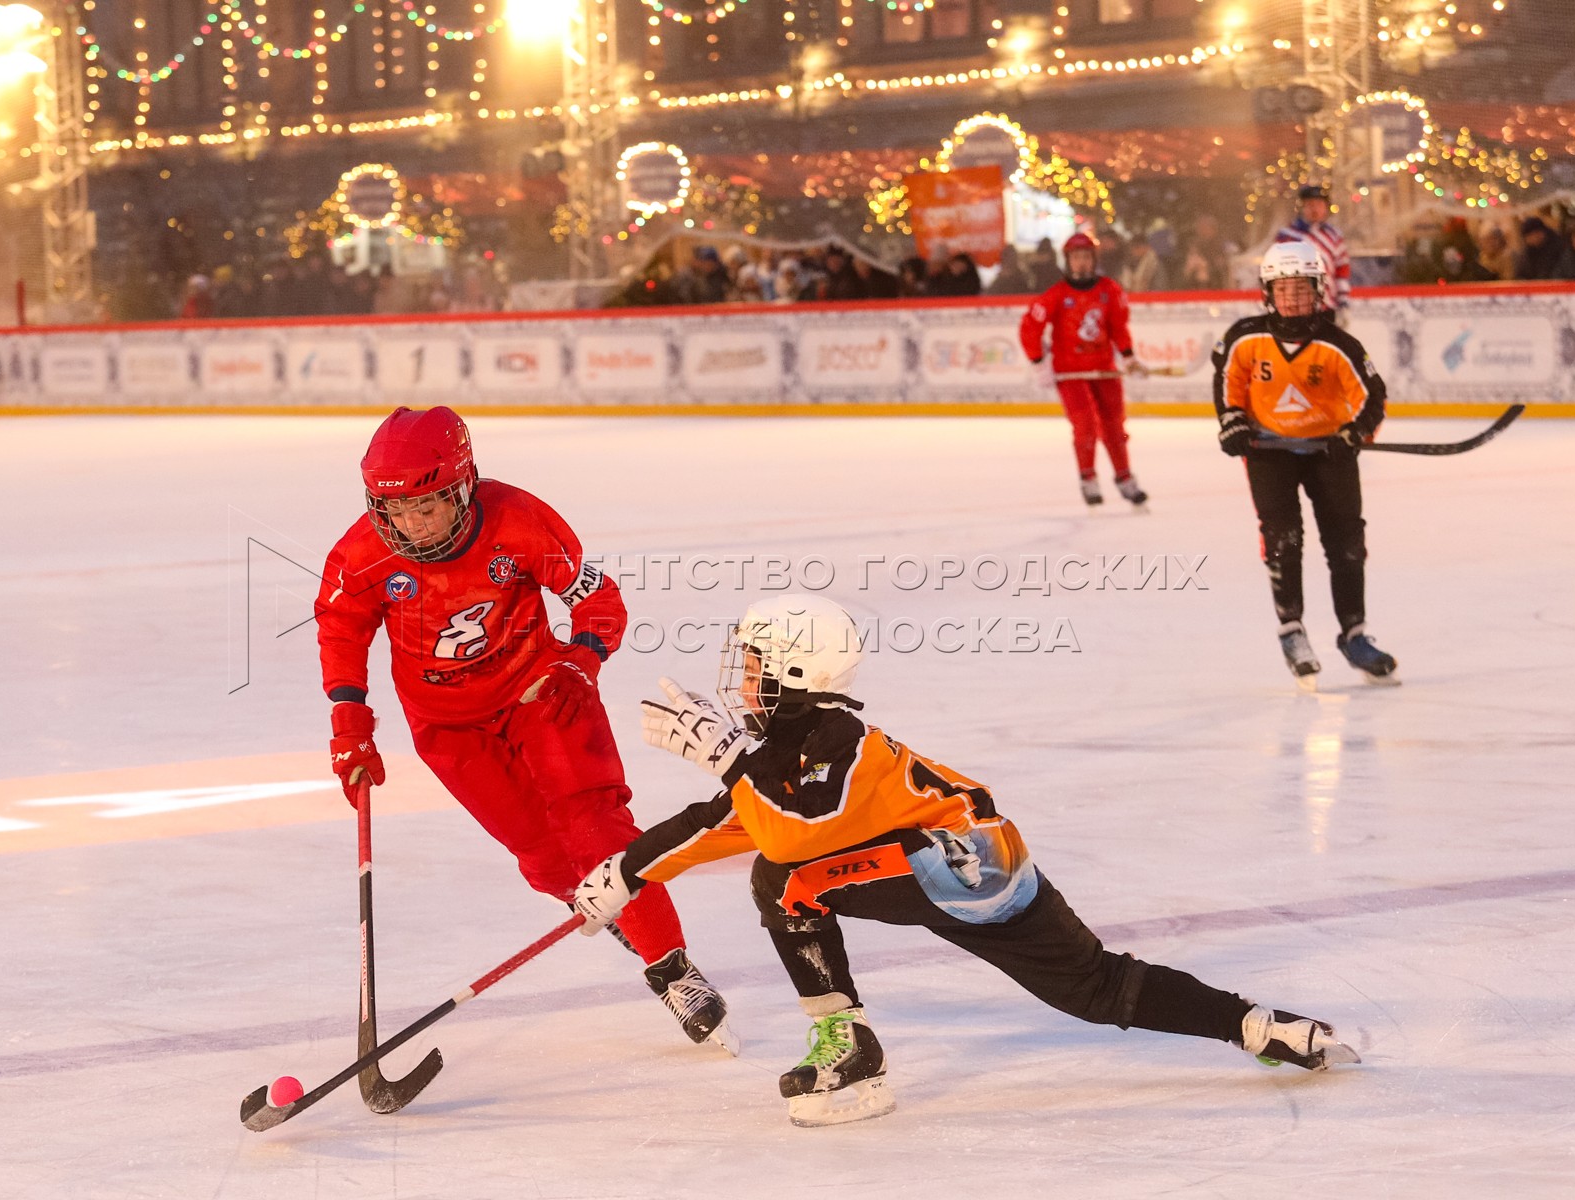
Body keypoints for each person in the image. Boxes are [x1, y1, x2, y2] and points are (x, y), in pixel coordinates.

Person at [572, 593, 1360, 1127]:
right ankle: (1259, 1026)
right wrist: (625, 874)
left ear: (794, 671)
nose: (740, 678)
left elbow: (782, 833)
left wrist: (726, 757)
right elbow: (732, 818)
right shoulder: (791, 746)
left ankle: (849, 1050)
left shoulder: (839, 741)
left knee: (786, 878)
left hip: (955, 861)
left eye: (752, 663)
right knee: (1095, 988)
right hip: (984, 861)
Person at [313, 406, 732, 1048]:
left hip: (543, 692)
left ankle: (673, 970)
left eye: (425, 507)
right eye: (392, 511)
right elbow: (342, 628)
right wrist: (350, 722)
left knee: (595, 830)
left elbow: (598, 598)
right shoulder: (362, 556)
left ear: (463, 486)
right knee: (540, 858)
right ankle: (617, 909)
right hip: (449, 728)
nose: (408, 526)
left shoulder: (519, 521)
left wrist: (581, 658)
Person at [1211, 242, 1396, 689]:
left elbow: (1372, 396)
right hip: (1268, 451)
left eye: (1302, 289)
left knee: (1346, 541)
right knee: (1282, 538)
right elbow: (1228, 382)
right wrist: (1232, 423)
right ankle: (1291, 629)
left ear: (1319, 291)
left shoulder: (1338, 344)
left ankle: (1354, 633)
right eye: (1284, 289)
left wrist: (1354, 433)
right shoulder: (1246, 337)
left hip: (1327, 450)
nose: (1293, 298)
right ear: (1268, 292)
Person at [1019, 231, 1150, 509]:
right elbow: (1030, 327)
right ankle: (1088, 478)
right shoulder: (1056, 295)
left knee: (1114, 426)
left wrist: (1128, 357)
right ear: (1068, 261)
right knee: (1086, 426)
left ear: (1093, 259)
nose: (1081, 263)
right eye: (1076, 257)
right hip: (1071, 374)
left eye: (1086, 257)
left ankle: (1125, 478)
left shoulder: (1110, 290)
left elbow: (1118, 327)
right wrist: (1038, 362)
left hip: (1103, 369)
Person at [1274, 184, 1351, 320]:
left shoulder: (1334, 236)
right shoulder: (1288, 236)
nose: (1314, 209)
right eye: (1310, 205)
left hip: (1327, 306)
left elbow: (1341, 271)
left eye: (1319, 205)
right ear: (1302, 207)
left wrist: (1343, 302)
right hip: (1297, 306)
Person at [1514, 216, 1563, 281]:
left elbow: (1556, 272)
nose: (1533, 238)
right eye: (1528, 237)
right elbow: (1521, 273)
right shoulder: (1527, 253)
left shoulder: (1557, 247)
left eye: (1535, 233)